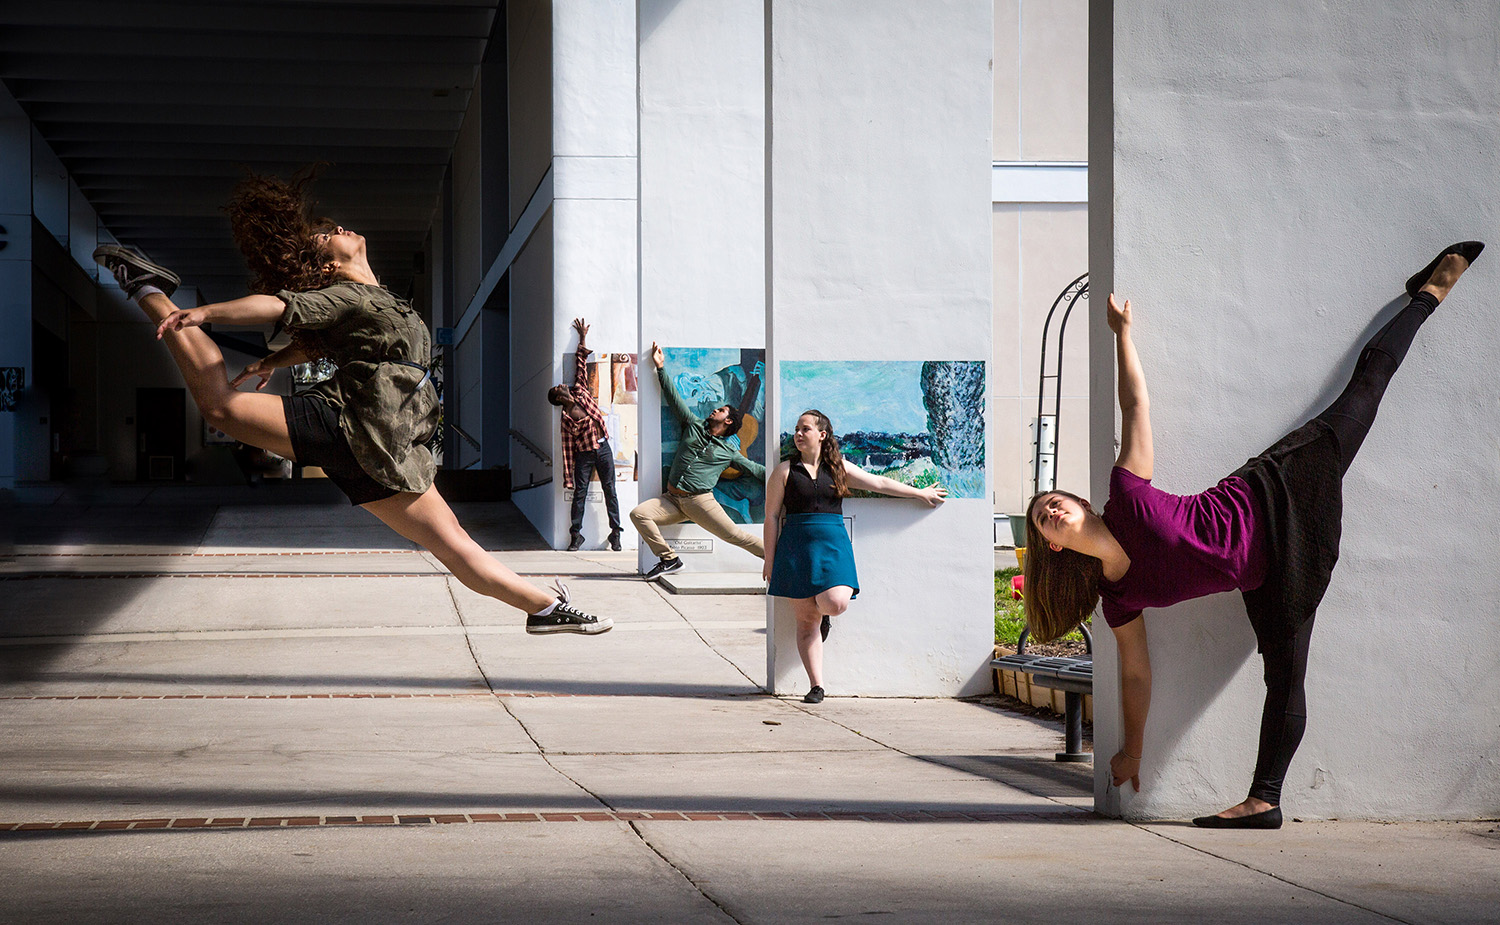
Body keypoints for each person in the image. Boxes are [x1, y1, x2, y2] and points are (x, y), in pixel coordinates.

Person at [1022, 242, 1483, 829]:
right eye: (1043, 518)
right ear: (1053, 546)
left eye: (1055, 500)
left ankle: (1429, 293)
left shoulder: (1127, 495)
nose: (1053, 510)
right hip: (1271, 572)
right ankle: (1265, 801)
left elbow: (1135, 404)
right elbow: (1136, 675)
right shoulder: (1119, 599)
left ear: (1080, 502)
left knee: (1366, 387)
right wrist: (1132, 749)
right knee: (1285, 678)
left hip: (1274, 491)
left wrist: (1122, 334)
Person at [92, 169, 612, 636]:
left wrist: (276, 361)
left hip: (389, 448)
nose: (338, 227)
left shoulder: (378, 299)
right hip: (348, 420)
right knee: (221, 407)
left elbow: (330, 338)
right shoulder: (345, 294)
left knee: (451, 539)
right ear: (330, 264)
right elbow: (277, 306)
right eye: (328, 234)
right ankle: (150, 290)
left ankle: (543, 608)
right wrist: (208, 314)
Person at [765, 410, 947, 703]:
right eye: (797, 429)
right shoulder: (785, 471)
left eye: (806, 429)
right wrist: (770, 560)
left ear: (822, 435)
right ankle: (817, 686)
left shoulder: (838, 467)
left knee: (835, 603)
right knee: (805, 621)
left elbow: (880, 483)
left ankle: (826, 617)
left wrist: (918, 493)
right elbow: (772, 516)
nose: (799, 434)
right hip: (795, 548)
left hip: (833, 545)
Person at [631, 342, 767, 580]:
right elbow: (674, 399)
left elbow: (755, 469)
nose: (716, 409)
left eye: (722, 410)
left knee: (736, 536)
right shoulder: (693, 425)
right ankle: (670, 559)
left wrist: (787, 476)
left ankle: (778, 560)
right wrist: (660, 368)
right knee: (639, 515)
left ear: (728, 422)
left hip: (700, 503)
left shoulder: (728, 452)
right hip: (672, 500)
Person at [549, 317, 623, 552]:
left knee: (610, 490)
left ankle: (615, 534)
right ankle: (576, 535)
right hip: (583, 455)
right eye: (557, 389)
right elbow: (567, 449)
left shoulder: (580, 391)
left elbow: (581, 362)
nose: (561, 386)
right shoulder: (566, 418)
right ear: (558, 398)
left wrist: (582, 337)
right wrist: (568, 477)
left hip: (602, 448)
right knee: (580, 494)